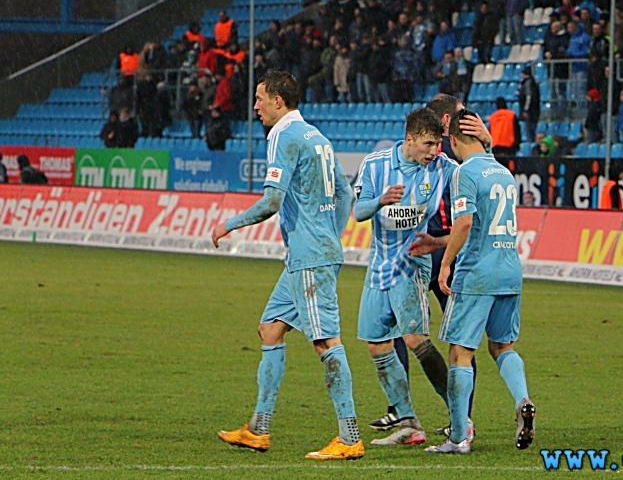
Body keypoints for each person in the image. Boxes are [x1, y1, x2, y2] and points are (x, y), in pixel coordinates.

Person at [213, 71, 364, 461]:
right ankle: (258, 429)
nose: (256, 106)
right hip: (307, 253)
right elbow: (345, 191)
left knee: (326, 342)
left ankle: (350, 437)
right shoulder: (316, 135)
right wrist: (330, 232)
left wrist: (229, 224)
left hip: (311, 256)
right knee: (270, 329)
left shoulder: (283, 135)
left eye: (261, 98)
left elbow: (272, 201)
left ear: (279, 100)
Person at [422, 108, 535, 454]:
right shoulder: (502, 172)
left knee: (460, 353)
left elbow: (465, 222)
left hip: (476, 274)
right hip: (510, 269)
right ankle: (523, 399)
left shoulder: (463, 173)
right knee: (503, 347)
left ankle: (458, 438)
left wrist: (446, 265)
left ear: (452, 140)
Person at [353, 108, 457, 446]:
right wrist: (380, 201)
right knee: (376, 343)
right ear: (409, 139)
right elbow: (358, 212)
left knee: (414, 338)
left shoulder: (443, 168)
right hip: (378, 265)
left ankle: (460, 418)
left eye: (438, 144)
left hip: (412, 262)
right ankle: (409, 421)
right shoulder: (375, 165)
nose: (434, 151)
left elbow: (476, 171)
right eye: (428, 144)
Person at [518, 66, 540, 143]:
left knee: (530, 130)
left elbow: (528, 97)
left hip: (531, 112)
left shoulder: (528, 83)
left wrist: (526, 110)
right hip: (534, 111)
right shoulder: (532, 83)